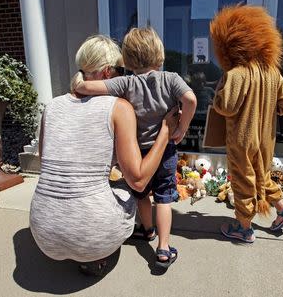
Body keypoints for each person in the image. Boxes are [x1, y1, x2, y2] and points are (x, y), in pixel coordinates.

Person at [29, 35, 179, 276]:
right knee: (125, 186)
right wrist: (165, 131)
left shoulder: (52, 106)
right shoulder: (118, 107)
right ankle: (95, 256)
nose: (128, 78)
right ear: (109, 73)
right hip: (96, 240)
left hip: (43, 234)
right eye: (123, 71)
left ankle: (80, 246)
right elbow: (139, 180)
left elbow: (46, 161)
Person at [74, 27, 197, 268]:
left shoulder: (126, 83)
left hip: (139, 152)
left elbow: (87, 88)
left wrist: (79, 78)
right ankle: (163, 248)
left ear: (128, 60)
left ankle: (148, 229)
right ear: (159, 54)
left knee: (140, 193)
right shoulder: (171, 79)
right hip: (166, 150)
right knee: (163, 198)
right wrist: (182, 128)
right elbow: (191, 100)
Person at [208, 5, 283, 243]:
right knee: (262, 175)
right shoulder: (272, 72)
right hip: (266, 139)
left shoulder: (236, 74)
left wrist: (217, 93)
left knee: (243, 180)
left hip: (242, 139)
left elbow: (225, 106)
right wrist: (271, 110)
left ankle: (244, 228)